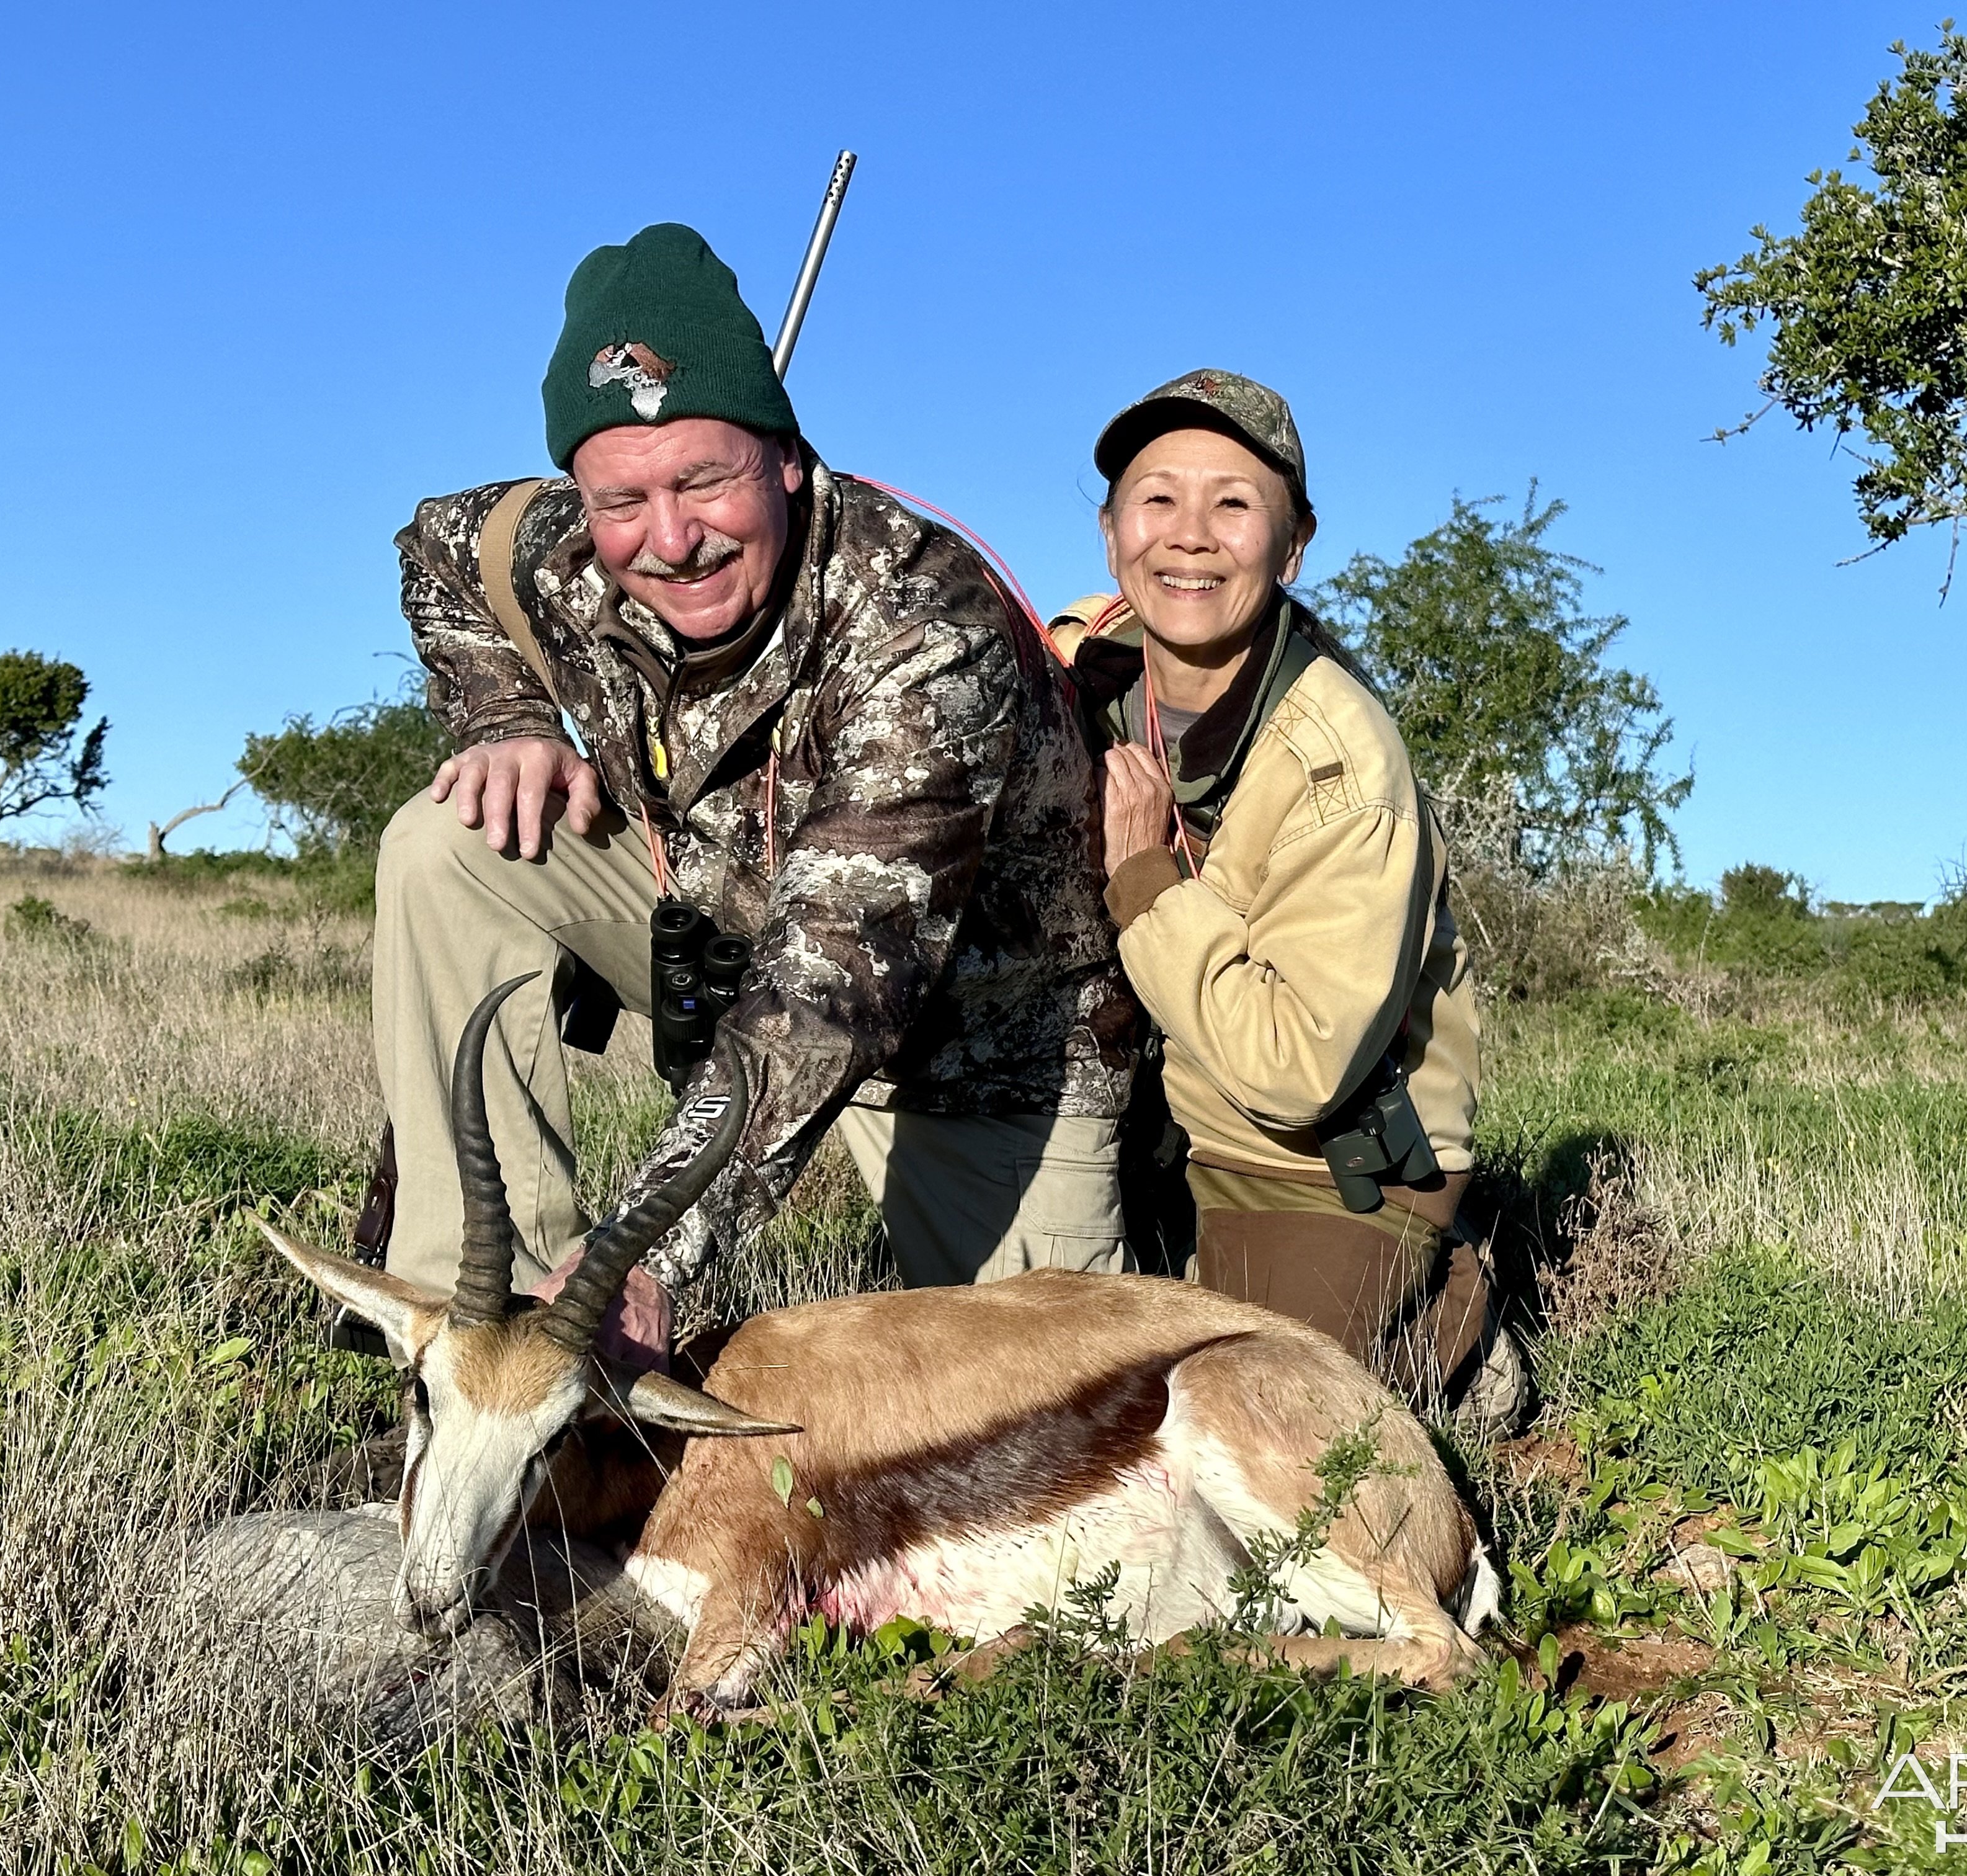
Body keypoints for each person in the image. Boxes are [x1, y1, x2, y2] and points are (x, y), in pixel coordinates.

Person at [375, 222, 1135, 1346]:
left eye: (706, 480)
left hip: (980, 1044)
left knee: (1061, 1395)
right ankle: (476, 1339)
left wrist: (642, 1252)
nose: (670, 540)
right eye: (621, 500)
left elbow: (832, 982)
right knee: (449, 839)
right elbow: (435, 546)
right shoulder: (567, 540)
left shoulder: (926, 623)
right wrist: (507, 718)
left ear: (786, 453)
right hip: (733, 929)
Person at [1050, 369, 1488, 1388]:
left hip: (1310, 1156)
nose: (1190, 535)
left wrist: (1146, 878)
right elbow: (1069, 627)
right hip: (1165, 1104)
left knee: (1240, 1419)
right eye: (1158, 499)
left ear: (1294, 546)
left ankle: (1454, 1310)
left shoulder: (1341, 762)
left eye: (1234, 504)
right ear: (1114, 535)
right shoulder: (1098, 653)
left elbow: (1300, 1072)